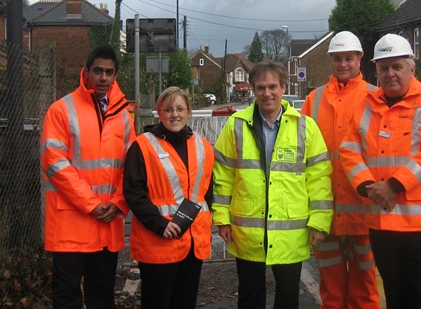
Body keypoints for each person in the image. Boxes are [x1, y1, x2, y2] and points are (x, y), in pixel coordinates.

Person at [339, 34, 421, 309]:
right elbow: (349, 151)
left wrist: (393, 186)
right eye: (383, 68)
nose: (389, 74)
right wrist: (368, 187)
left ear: (411, 69)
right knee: (396, 298)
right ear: (376, 71)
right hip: (384, 224)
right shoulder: (367, 105)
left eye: (396, 67)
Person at [213, 60, 333, 309]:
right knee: (250, 296)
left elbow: (319, 177)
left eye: (272, 87)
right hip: (247, 229)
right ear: (253, 89)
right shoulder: (236, 125)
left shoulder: (305, 127)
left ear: (283, 87)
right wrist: (222, 218)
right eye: (260, 88)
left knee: (288, 298)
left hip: (290, 231)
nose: (267, 93)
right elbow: (223, 175)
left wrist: (319, 221)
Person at [40, 45, 136, 309]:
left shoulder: (124, 118)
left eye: (109, 72)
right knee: (67, 296)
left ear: (115, 75)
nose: (103, 77)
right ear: (87, 72)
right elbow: (55, 163)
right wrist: (92, 204)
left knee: (102, 295)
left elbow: (132, 167)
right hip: (72, 223)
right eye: (98, 71)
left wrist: (119, 203)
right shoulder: (61, 110)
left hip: (106, 224)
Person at [301, 31, 380, 309]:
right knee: (331, 289)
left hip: (363, 211)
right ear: (331, 61)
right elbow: (302, 148)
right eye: (338, 58)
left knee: (364, 287)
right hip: (327, 213)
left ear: (360, 59)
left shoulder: (375, 97)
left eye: (349, 58)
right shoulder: (315, 98)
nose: (343, 63)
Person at [123, 86, 214, 309]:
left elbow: (207, 191)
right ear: (159, 112)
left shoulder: (202, 145)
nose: (175, 114)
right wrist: (159, 223)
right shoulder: (142, 145)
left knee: (185, 302)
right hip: (158, 244)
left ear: (189, 111)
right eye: (169, 109)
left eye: (180, 109)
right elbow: (134, 193)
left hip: (192, 243)